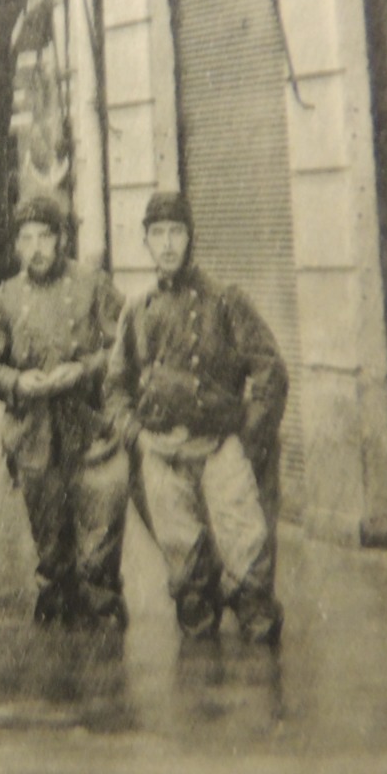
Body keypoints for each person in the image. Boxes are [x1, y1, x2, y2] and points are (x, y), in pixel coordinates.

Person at [105, 191, 289, 645]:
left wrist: (247, 436)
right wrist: (136, 435)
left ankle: (259, 674)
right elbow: (114, 387)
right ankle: (200, 702)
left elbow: (270, 369)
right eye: (158, 234)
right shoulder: (138, 309)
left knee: (249, 564)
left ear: (191, 239)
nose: (167, 244)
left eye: (176, 233)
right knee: (188, 583)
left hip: (220, 445)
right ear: (146, 242)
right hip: (162, 451)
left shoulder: (225, 302)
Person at [0, 195, 128, 628]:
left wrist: (82, 371)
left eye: (46, 236)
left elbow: (124, 347)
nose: (37, 247)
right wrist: (18, 382)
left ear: (62, 239)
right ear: (17, 247)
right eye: (27, 239)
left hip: (90, 430)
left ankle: (101, 607)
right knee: (49, 537)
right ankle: (55, 604)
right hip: (34, 435)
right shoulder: (5, 299)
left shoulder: (92, 285)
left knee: (99, 533)